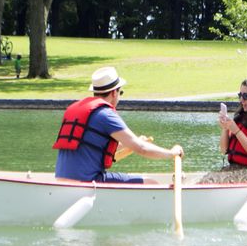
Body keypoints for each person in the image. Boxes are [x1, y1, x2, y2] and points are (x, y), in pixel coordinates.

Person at [54, 66, 183, 184]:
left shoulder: (79, 110)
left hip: (61, 180)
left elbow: (97, 146)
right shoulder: (106, 115)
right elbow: (142, 149)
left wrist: (134, 141)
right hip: (88, 182)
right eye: (120, 93)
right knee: (151, 183)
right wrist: (171, 153)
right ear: (114, 92)